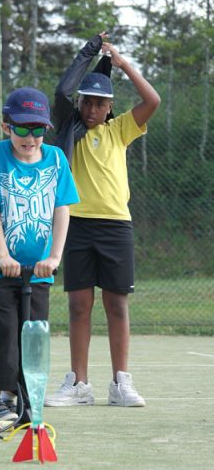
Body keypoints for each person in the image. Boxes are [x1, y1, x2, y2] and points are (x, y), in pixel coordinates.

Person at [45, 32, 161, 408]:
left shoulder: (119, 130)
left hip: (115, 226)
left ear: (109, 107)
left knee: (117, 305)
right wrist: (92, 50)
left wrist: (124, 64)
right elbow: (63, 90)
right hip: (75, 224)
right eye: (87, 102)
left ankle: (120, 383)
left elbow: (152, 100)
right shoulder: (68, 130)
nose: (92, 109)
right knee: (79, 305)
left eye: (99, 103)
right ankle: (79, 384)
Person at [0, 87, 79, 427]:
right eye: (22, 129)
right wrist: (2, 254)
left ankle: (22, 397)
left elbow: (62, 210)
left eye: (37, 129)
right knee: (5, 327)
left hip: (39, 270)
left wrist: (56, 256)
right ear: (7, 127)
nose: (30, 137)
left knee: (33, 333)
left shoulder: (56, 159)